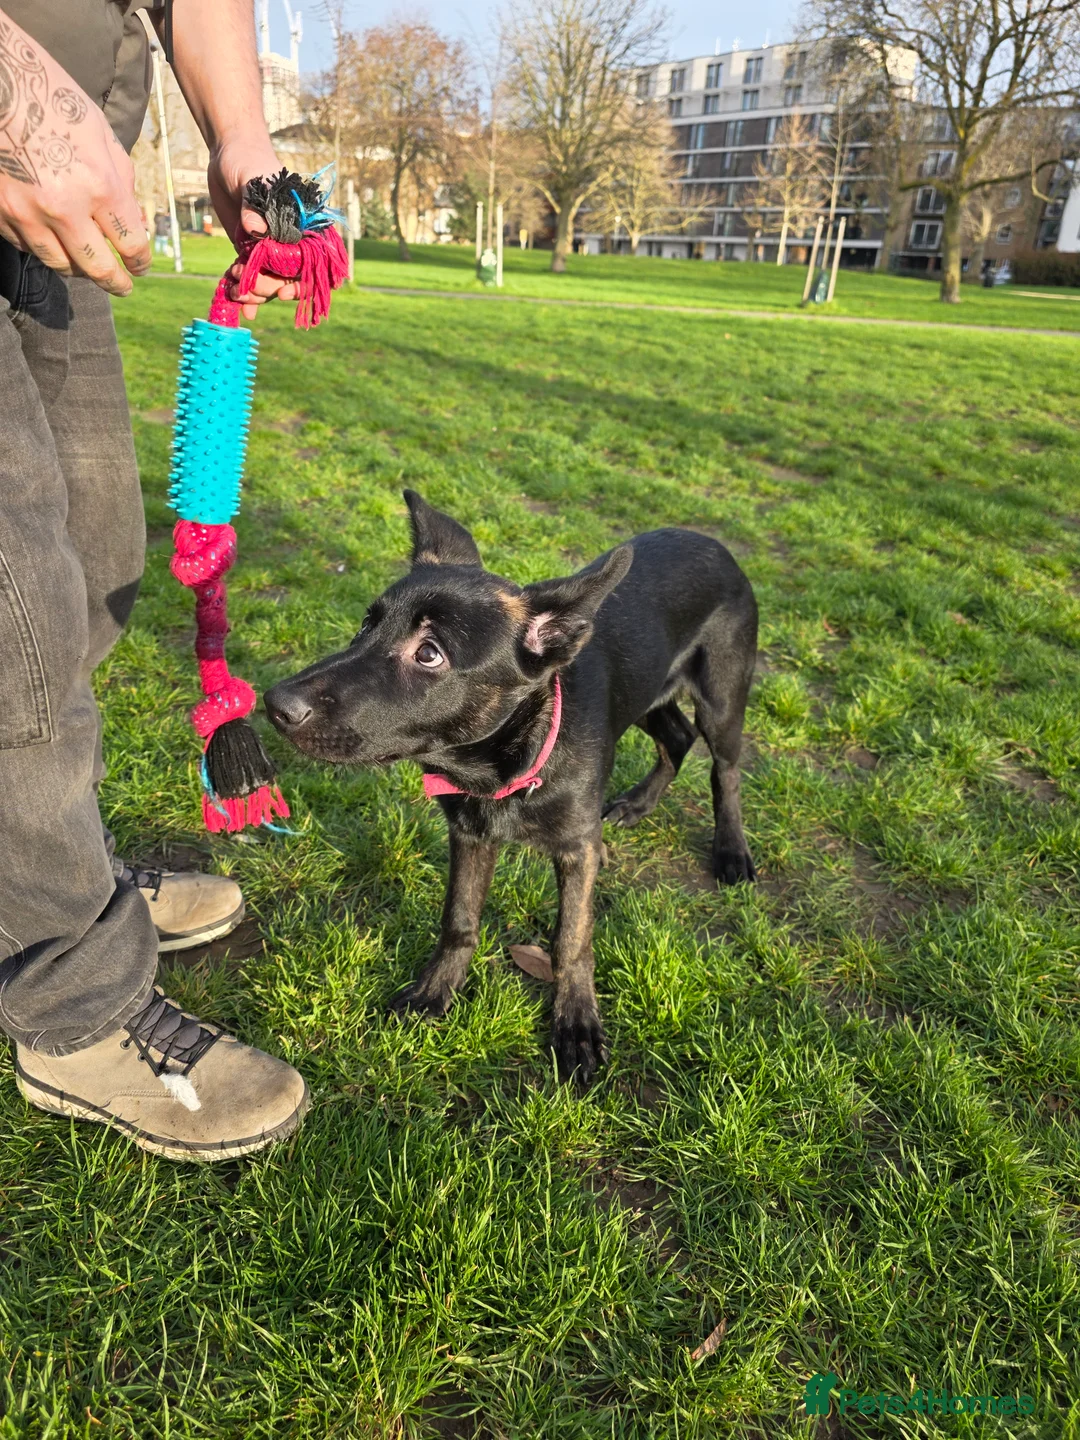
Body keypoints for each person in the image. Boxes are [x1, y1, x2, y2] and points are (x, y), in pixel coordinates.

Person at [0, 1, 310, 1162]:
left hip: (53, 212)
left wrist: (240, 134)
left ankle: (40, 874)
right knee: (14, 608)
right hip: (21, 141)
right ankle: (72, 1004)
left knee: (94, 563)